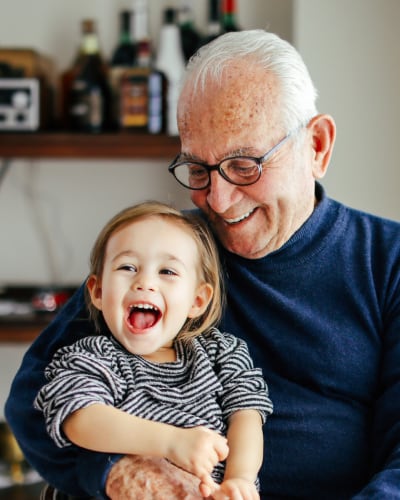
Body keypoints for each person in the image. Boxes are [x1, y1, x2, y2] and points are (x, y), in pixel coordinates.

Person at [5, 28, 400, 499]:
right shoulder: (169, 251)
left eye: (244, 165)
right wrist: (117, 473)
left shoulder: (387, 261)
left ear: (317, 146)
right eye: (198, 169)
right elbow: (35, 396)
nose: (219, 199)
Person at [33, 201, 273, 499]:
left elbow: (247, 417)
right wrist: (171, 441)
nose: (144, 282)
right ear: (97, 291)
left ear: (198, 300)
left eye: (168, 271)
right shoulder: (90, 357)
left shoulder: (222, 352)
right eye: (127, 267)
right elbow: (79, 419)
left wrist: (240, 479)